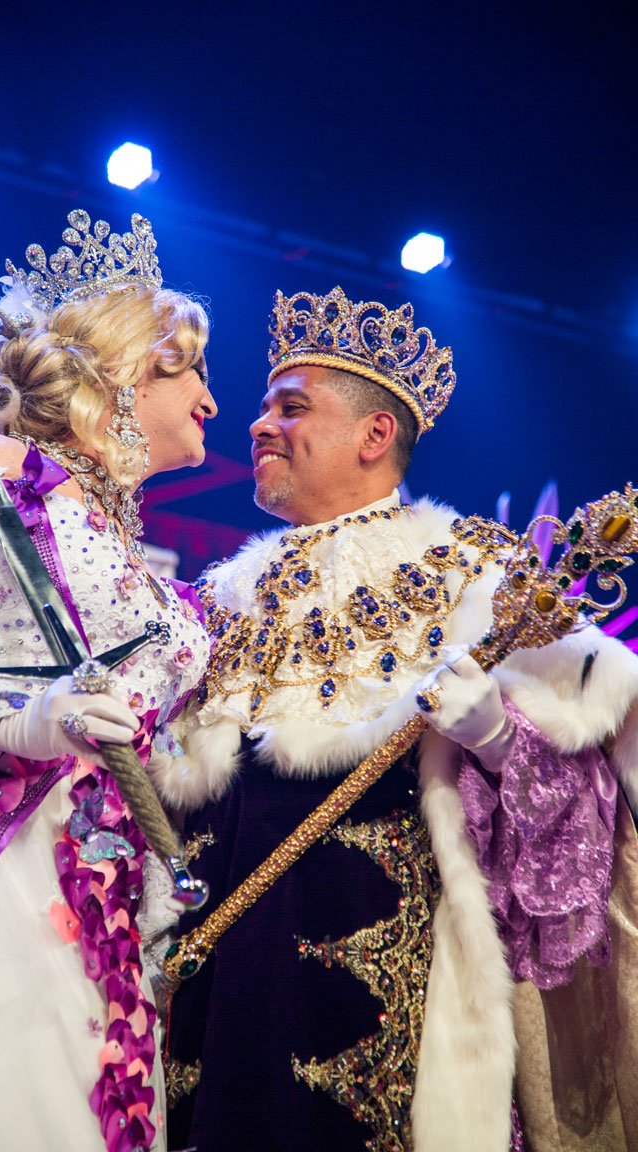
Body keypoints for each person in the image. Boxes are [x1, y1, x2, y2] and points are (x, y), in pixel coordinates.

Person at [148, 287, 638, 1152]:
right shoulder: (219, 597)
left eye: (289, 407)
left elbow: (589, 827)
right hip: (216, 979)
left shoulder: (475, 575)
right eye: (262, 407)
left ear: (375, 437)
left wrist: (497, 737)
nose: (257, 425)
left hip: (392, 988)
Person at [0, 208, 217, 1152]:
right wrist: (21, 720)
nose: (213, 403)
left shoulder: (148, 563)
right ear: (121, 372)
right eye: (190, 369)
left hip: (106, 897)